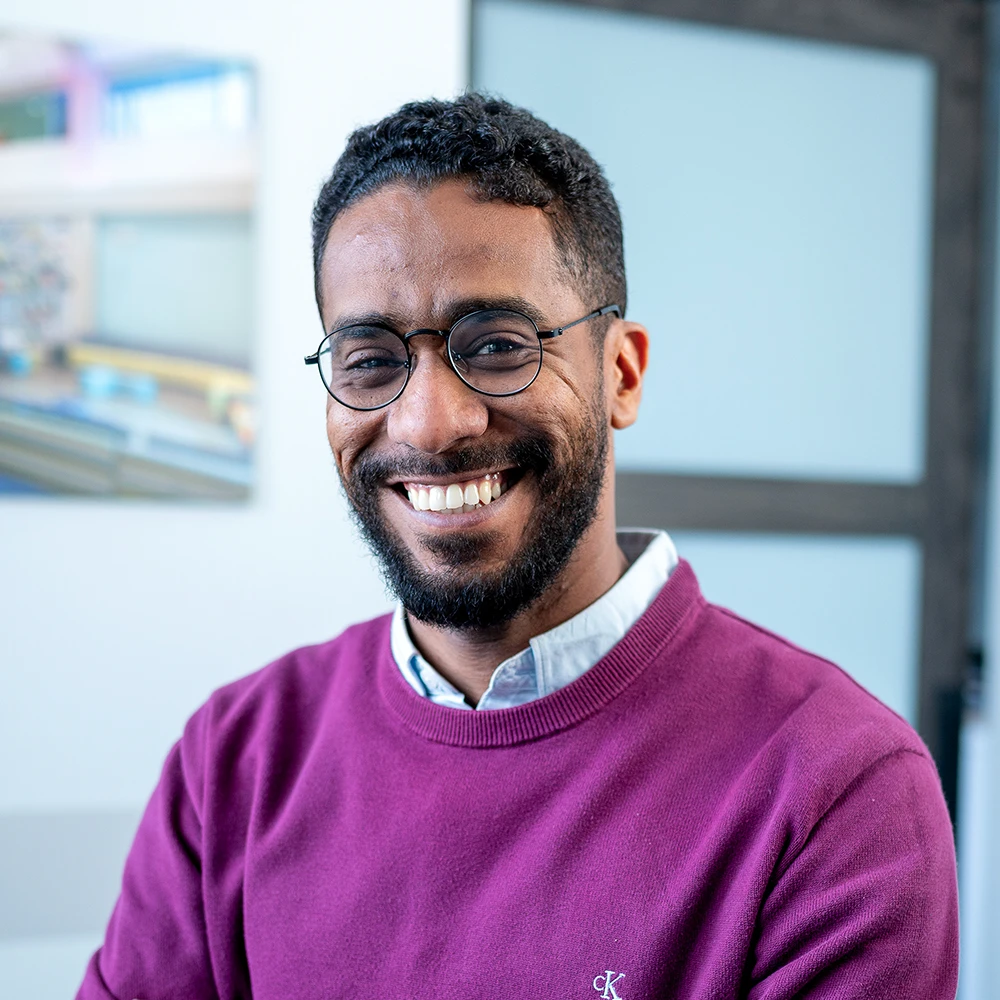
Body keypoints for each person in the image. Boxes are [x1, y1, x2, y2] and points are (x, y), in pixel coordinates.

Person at [78, 94, 958, 1000]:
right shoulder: (235, 762)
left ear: (621, 373)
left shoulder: (833, 788)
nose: (431, 422)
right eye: (371, 358)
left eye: (497, 346)